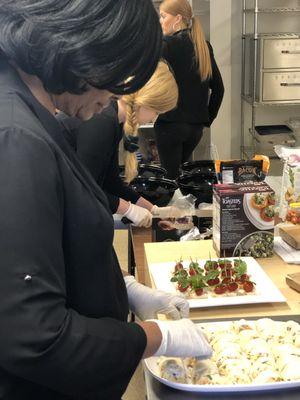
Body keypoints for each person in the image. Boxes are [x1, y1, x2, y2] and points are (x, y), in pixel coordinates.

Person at [0, 1, 212, 399]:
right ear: (85, 48)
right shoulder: (15, 138)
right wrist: (154, 337)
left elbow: (52, 248)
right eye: (119, 76)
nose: (119, 93)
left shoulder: (33, 112)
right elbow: (36, 336)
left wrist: (123, 287)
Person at [58, 61, 183, 228]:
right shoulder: (102, 120)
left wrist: (153, 209)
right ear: (144, 102)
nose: (155, 119)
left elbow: (110, 181)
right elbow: (85, 189)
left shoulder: (114, 121)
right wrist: (129, 209)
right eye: (157, 112)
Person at [154, 0, 225, 179]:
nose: (160, 21)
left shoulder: (166, 45)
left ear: (177, 18)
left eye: (163, 16)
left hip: (169, 126)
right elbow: (219, 89)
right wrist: (206, 120)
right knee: (182, 178)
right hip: (195, 130)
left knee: (170, 180)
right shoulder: (204, 46)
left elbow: (151, 83)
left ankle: (172, 207)